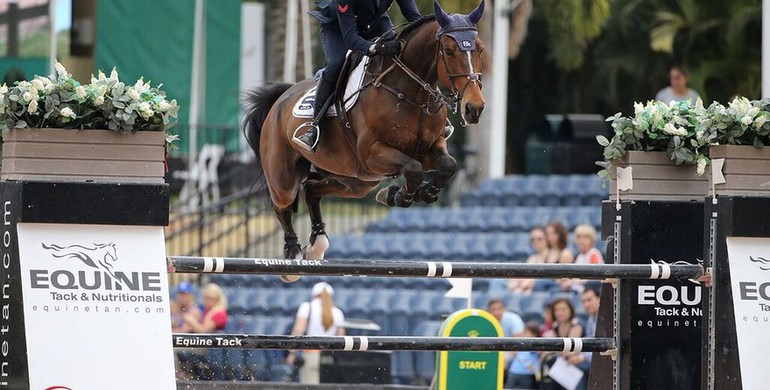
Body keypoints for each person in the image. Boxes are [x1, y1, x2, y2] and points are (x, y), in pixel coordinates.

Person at [294, 0, 422, 152]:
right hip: (338, 28)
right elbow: (351, 39)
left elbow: (415, 19)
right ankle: (314, 128)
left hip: (375, 22)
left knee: (406, 51)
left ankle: (428, 112)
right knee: (336, 64)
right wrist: (376, 48)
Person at [286, 282, 346, 384]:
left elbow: (298, 331)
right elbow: (340, 338)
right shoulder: (338, 312)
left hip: (310, 355)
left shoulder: (307, 307)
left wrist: (292, 353)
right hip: (329, 357)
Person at [542, 298, 585, 390]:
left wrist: (552, 351)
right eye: (556, 310)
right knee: (552, 361)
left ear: (570, 310)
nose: (559, 313)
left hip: (579, 358)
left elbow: (572, 349)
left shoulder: (576, 324)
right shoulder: (556, 325)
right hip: (563, 360)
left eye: (563, 309)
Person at [508, 227, 549, 294]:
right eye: (532, 240)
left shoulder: (551, 256)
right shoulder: (532, 258)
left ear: (546, 239)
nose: (536, 242)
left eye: (539, 239)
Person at [505, 323, 541, 390]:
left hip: (527, 374)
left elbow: (538, 352)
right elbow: (511, 354)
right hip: (513, 372)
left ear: (534, 335)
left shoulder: (536, 346)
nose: (523, 334)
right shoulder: (519, 344)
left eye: (526, 332)